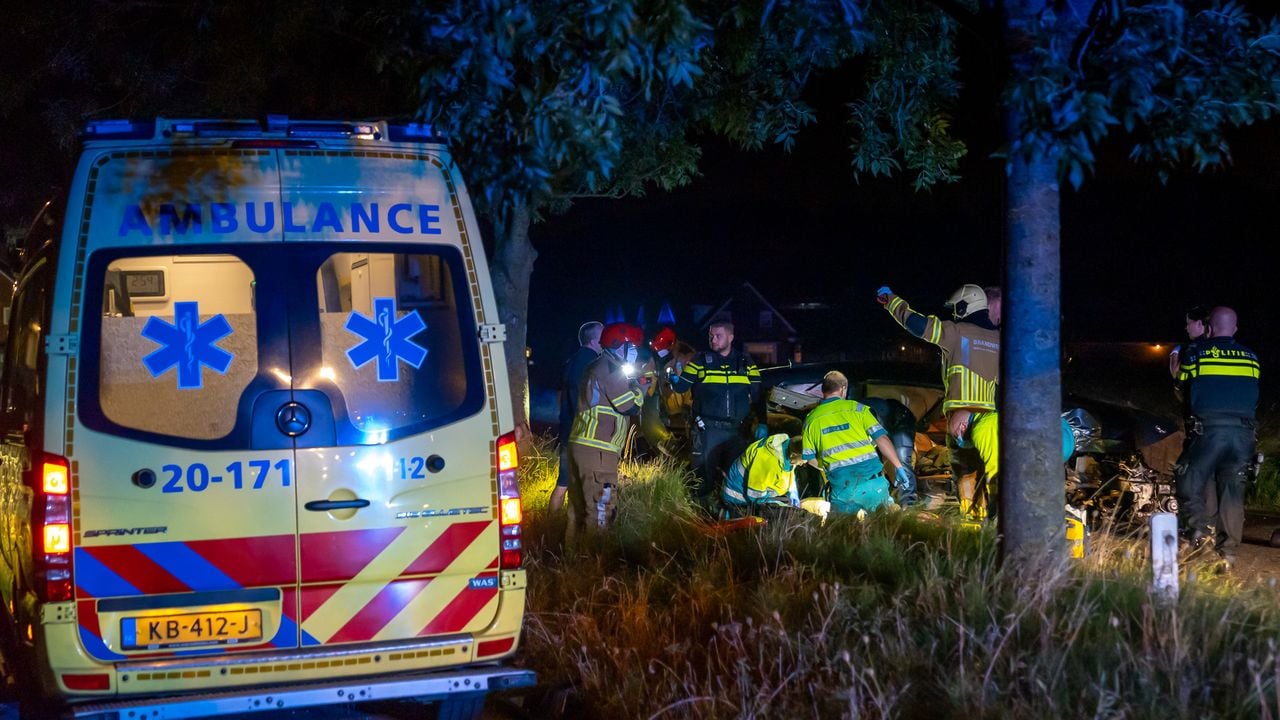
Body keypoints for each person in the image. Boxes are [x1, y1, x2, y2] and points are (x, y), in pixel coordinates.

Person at [879, 284, 1000, 518]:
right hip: (991, 422)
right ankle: (994, 524)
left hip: (961, 421)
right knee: (990, 474)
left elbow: (917, 324)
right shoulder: (1000, 340)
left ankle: (972, 522)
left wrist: (892, 301)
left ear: (965, 306)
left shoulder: (956, 331)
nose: (954, 313)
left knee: (966, 475)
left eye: (956, 308)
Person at [1174, 306, 1260, 569]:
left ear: (1209, 328)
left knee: (1188, 478)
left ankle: (1199, 534)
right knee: (1232, 493)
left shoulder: (1197, 353)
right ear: (1234, 329)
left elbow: (1181, 383)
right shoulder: (1251, 358)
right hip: (1243, 436)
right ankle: (1228, 554)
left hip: (1209, 432)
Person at [670, 319, 762, 512]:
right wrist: (673, 376)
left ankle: (735, 515)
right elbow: (681, 387)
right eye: (711, 336)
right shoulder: (700, 361)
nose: (713, 339)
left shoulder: (745, 362)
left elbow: (757, 396)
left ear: (731, 337)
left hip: (738, 431)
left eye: (718, 336)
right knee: (703, 477)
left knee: (736, 477)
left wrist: (762, 422)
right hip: (708, 430)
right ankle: (701, 517)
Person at [567, 322, 645, 540]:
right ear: (619, 346)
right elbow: (630, 406)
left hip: (581, 445)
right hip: (598, 450)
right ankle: (595, 562)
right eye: (632, 347)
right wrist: (640, 388)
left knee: (577, 510)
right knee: (601, 509)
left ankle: (573, 561)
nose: (635, 352)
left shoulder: (597, 365)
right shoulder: (611, 368)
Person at [801, 371, 917, 517]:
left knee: (844, 531)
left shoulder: (811, 420)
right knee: (885, 524)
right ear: (843, 389)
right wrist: (898, 467)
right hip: (873, 484)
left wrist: (830, 467)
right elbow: (882, 440)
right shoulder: (858, 408)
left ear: (823, 390)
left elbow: (809, 459)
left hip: (842, 488)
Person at [552, 321, 603, 513]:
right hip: (582, 432)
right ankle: (579, 531)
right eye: (602, 337)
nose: (605, 342)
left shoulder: (570, 362)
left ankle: (550, 527)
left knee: (563, 482)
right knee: (584, 484)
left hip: (567, 429)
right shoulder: (591, 364)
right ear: (593, 340)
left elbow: (560, 395)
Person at [721, 433, 802, 519]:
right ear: (793, 455)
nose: (803, 464)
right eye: (803, 460)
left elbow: (787, 472)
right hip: (738, 500)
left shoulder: (788, 448)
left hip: (754, 497)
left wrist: (792, 490)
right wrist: (774, 504)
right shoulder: (768, 461)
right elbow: (755, 495)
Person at [1169, 305, 1211, 379]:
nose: (1186, 327)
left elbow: (1176, 375)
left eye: (1188, 323)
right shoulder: (1217, 345)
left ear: (1199, 324)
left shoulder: (1189, 349)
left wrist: (1175, 353)